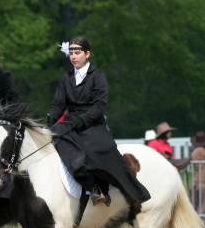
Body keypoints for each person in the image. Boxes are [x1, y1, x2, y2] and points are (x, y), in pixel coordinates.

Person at [47, 36, 150, 208]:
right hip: (71, 125)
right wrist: (49, 122)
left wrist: (78, 121)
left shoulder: (98, 76)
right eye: (71, 52)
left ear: (87, 54)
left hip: (93, 124)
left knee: (103, 152)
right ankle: (93, 188)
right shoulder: (66, 77)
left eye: (77, 52)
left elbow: (99, 107)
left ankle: (131, 193)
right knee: (59, 145)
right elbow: (59, 104)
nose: (73, 56)